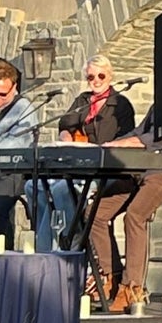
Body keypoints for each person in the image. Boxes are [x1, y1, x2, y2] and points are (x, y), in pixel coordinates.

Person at [84, 103, 162, 313]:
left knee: (135, 215)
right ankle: (111, 275)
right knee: (95, 213)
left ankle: (132, 289)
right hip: (144, 170)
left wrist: (120, 145)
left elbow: (157, 138)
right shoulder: (158, 105)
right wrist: (110, 145)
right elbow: (139, 132)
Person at [56, 62, 139, 302]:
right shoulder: (83, 99)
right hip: (84, 166)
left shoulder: (120, 104)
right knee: (38, 189)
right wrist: (67, 139)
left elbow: (126, 136)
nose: (95, 80)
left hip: (109, 168)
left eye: (100, 75)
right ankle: (51, 252)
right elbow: (65, 124)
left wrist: (101, 148)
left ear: (110, 76)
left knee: (71, 197)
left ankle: (83, 263)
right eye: (90, 76)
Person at [0, 59, 40, 248]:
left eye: (2, 94)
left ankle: (0, 261)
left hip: (9, 171)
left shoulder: (23, 109)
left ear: (14, 87)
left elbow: (18, 143)